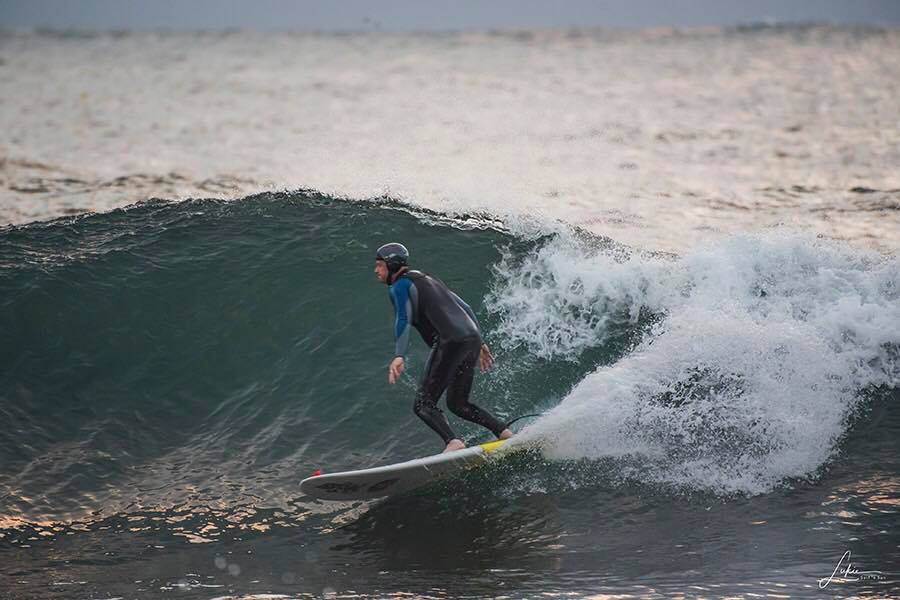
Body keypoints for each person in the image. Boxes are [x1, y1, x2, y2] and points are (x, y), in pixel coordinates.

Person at [374, 242, 513, 453]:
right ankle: (504, 433)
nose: (376, 270)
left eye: (379, 265)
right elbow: (465, 307)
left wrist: (399, 355)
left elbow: (403, 317)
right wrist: (481, 342)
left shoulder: (399, 286)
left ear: (391, 265)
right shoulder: (427, 278)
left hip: (450, 341)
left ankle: (453, 442)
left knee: (423, 404)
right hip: (471, 338)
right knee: (458, 404)